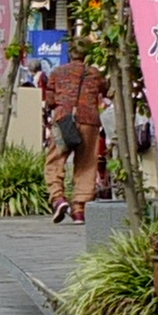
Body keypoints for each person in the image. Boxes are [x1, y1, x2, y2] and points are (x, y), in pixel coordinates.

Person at [44, 41, 108, 225]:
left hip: (64, 121)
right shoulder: (94, 73)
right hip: (89, 121)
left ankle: (58, 199)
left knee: (55, 160)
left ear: (70, 54)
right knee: (87, 164)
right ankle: (79, 210)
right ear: (87, 55)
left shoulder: (57, 72)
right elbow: (106, 90)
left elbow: (50, 100)